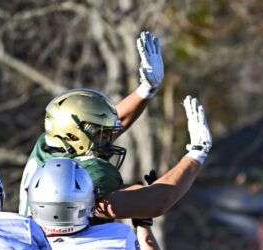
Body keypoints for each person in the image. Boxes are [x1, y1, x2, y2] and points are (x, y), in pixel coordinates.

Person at [19, 32, 212, 221]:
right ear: (75, 137)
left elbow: (99, 126)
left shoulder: (48, 143)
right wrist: (197, 153)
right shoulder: (84, 174)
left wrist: (146, 90)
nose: (110, 140)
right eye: (102, 135)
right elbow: (154, 202)